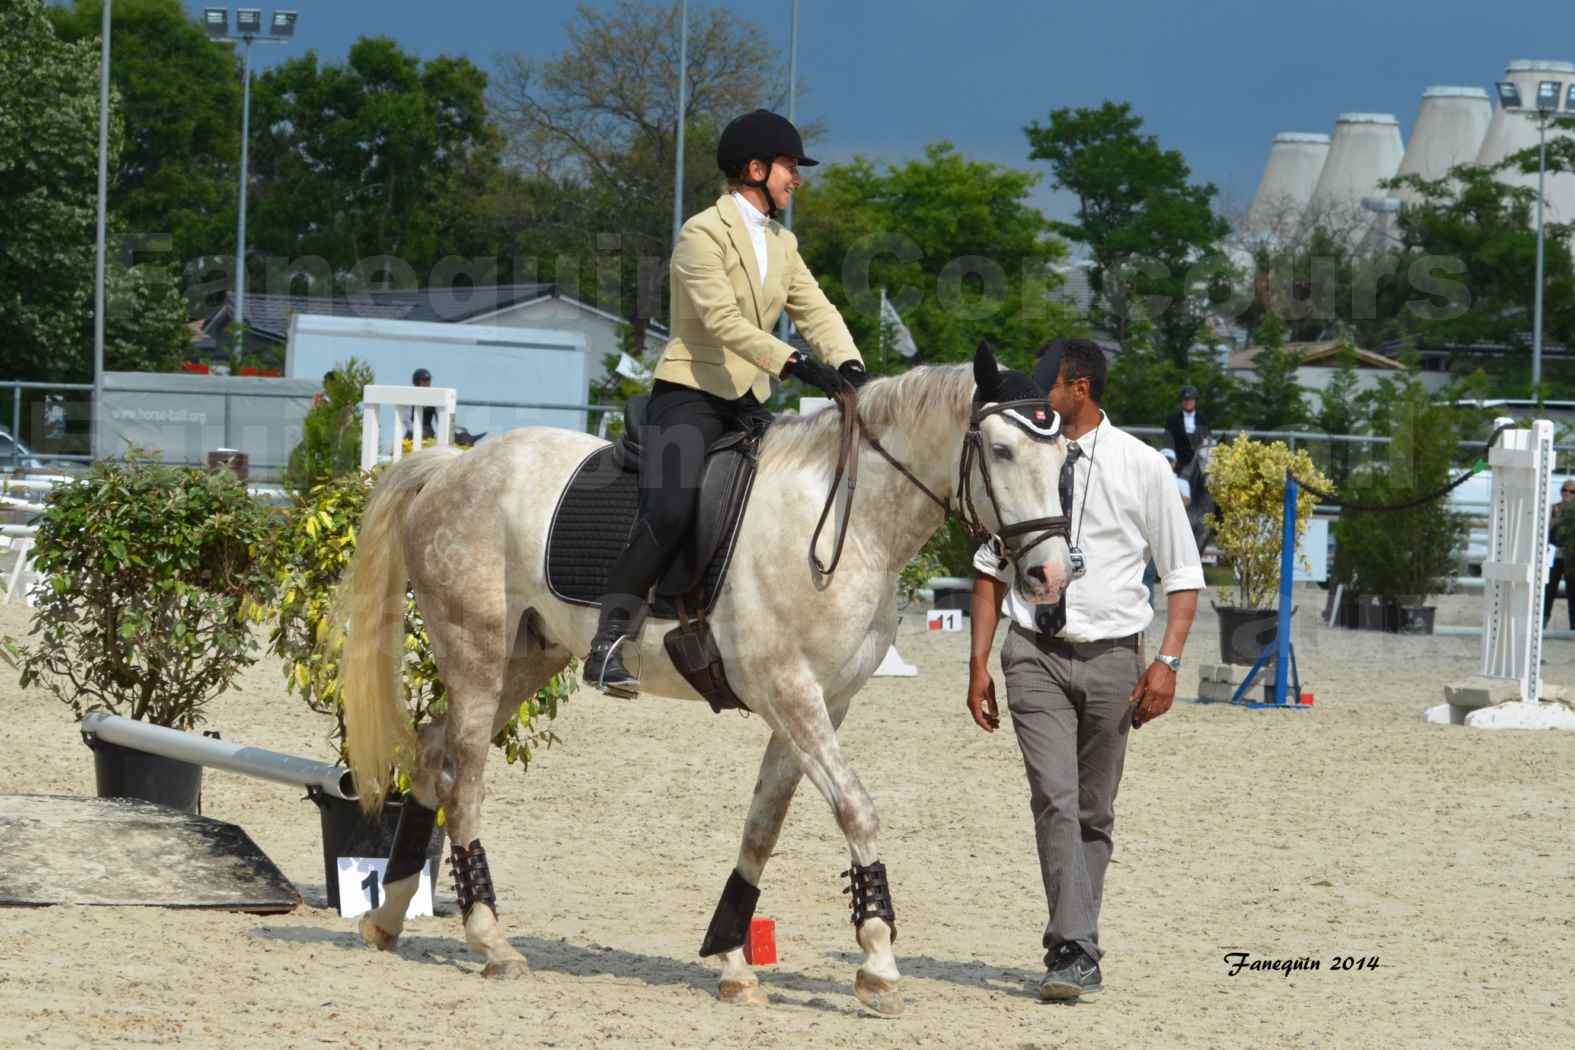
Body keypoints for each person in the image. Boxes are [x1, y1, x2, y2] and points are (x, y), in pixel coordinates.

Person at [581, 109, 867, 696]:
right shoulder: (701, 234)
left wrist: (848, 364)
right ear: (756, 169)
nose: (797, 179)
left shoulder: (782, 243)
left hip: (747, 401)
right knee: (670, 508)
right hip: (691, 392)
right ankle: (609, 638)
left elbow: (815, 309)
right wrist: (793, 363)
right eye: (790, 167)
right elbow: (721, 320)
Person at [966, 338, 1204, 1001]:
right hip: (1033, 652)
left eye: (1047, 382)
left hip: (1113, 657)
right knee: (1055, 800)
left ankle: (1075, 940)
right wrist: (977, 663)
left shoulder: (1140, 466)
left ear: (1079, 388)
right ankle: (1071, 948)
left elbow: (1183, 576)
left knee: (1094, 811)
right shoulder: (1018, 454)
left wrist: (1166, 663)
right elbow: (988, 569)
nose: (1035, 392)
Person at [1544, 480, 1575, 628]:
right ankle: (1542, 621)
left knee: (1573, 590)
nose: (1567, 493)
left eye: (1571, 491)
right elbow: (1545, 530)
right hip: (1553, 552)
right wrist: (1554, 519)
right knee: (1548, 587)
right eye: (1564, 490)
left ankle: (1573, 625)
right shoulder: (1553, 508)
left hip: (1571, 556)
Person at [1164, 384, 1207, 472]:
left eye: (1191, 399)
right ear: (1181, 401)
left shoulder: (1202, 419)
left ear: (1195, 401)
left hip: (1198, 464)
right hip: (1178, 463)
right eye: (1185, 400)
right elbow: (1168, 441)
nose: (1188, 402)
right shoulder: (1173, 420)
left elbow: (1207, 439)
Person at [404, 367, 439, 440]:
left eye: (428, 380)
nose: (427, 383)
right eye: (424, 380)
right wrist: (417, 432)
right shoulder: (410, 397)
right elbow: (406, 419)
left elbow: (439, 419)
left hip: (429, 432)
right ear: (417, 382)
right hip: (412, 433)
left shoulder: (434, 398)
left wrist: (440, 434)